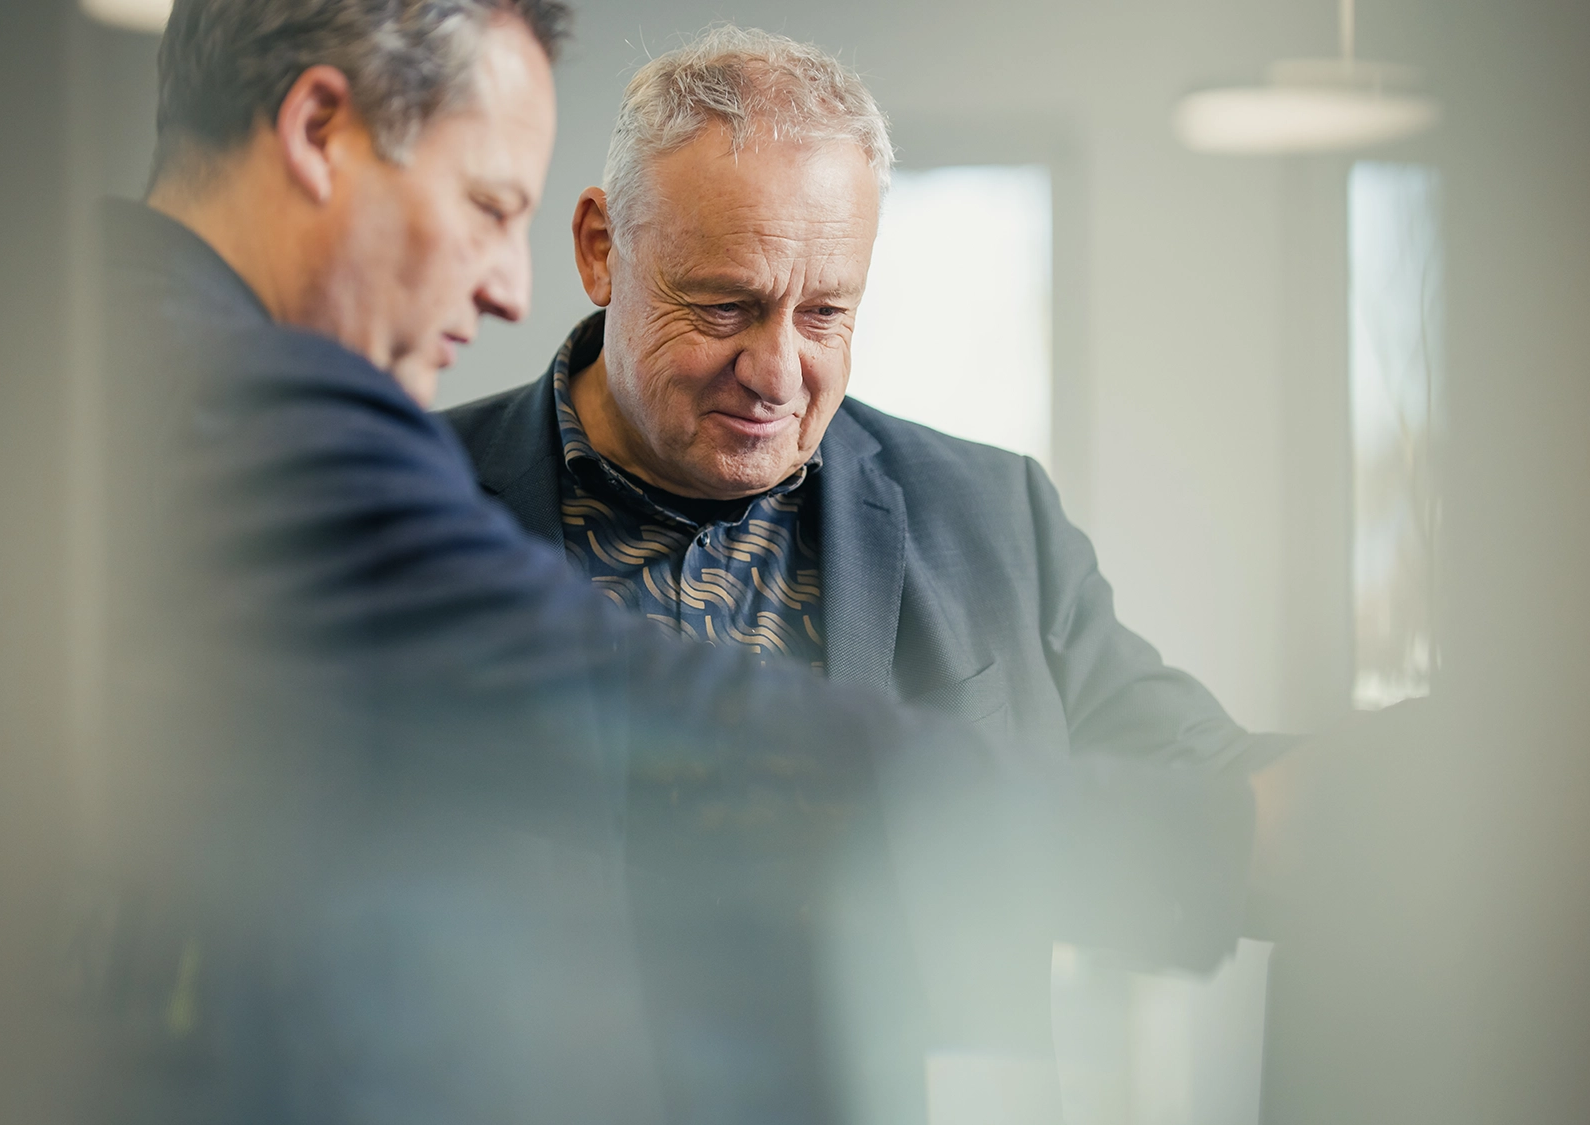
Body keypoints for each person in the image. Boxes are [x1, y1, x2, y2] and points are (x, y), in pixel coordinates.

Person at [86, 4, 1016, 1123]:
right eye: (486, 207)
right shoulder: (253, 411)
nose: (504, 290)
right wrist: (1170, 841)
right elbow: (635, 689)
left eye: (825, 311)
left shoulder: (54, 337)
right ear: (318, 129)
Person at [443, 24, 1291, 1118]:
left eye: (825, 313)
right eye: (725, 306)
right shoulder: (401, 496)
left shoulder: (992, 518)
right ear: (601, 248)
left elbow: (1203, 776)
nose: (776, 371)